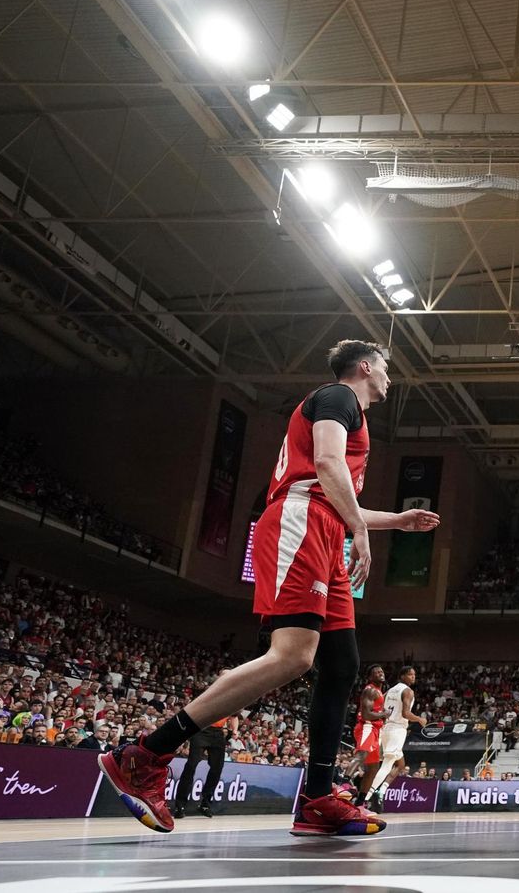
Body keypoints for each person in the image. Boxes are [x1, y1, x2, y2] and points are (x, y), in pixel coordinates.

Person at [96, 341, 440, 837]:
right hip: (302, 523)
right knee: (293, 656)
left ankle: (317, 799)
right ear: (365, 367)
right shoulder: (339, 397)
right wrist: (359, 531)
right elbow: (324, 467)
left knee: (342, 664)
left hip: (325, 527)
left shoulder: (352, 419)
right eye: (385, 367)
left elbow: (336, 493)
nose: (390, 376)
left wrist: (395, 521)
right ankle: (145, 754)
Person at [366, 666, 429, 809]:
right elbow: (406, 714)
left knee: (400, 764)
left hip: (386, 728)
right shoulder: (408, 691)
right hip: (397, 730)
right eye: (410, 674)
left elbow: (380, 707)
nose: (413, 677)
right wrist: (420, 719)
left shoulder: (390, 690)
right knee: (387, 764)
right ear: (402, 676)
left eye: (414, 675)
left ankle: (381, 791)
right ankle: (365, 798)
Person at [173, 708, 234, 819]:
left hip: (218, 733)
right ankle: (179, 805)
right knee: (191, 765)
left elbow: (235, 715)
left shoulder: (233, 700)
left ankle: (205, 803)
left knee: (217, 768)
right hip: (201, 729)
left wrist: (232, 730)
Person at [353, 665, 389, 803]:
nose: (381, 673)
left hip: (376, 730)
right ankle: (343, 785)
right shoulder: (370, 690)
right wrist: (384, 713)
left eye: (382, 671)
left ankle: (360, 802)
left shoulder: (379, 691)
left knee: (373, 768)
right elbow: (367, 715)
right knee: (361, 755)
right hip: (367, 727)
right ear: (370, 677)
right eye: (377, 672)